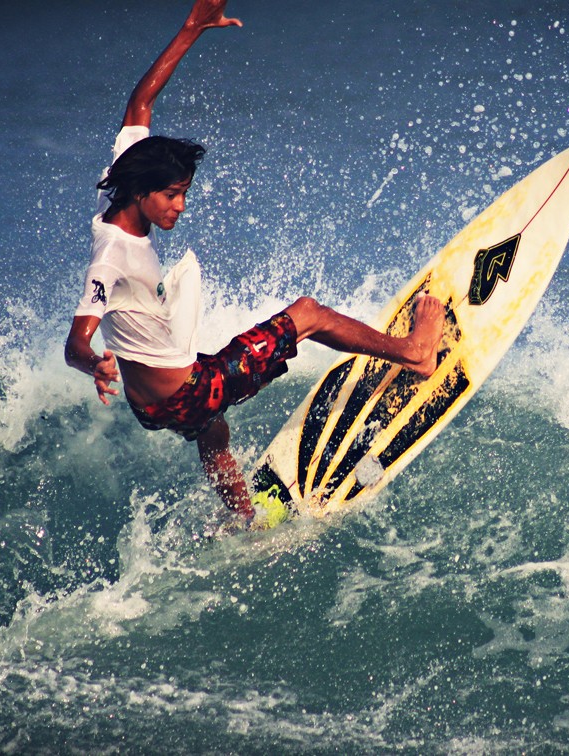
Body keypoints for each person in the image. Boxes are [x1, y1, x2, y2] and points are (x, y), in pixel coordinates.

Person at [64, 0, 444, 529]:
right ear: (142, 191)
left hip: (151, 407)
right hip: (190, 389)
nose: (180, 206)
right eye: (173, 196)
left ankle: (245, 520)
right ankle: (415, 352)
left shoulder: (121, 190)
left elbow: (140, 103)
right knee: (308, 313)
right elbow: (76, 339)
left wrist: (192, 27)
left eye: (184, 194)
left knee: (211, 430)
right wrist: (92, 362)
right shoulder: (112, 256)